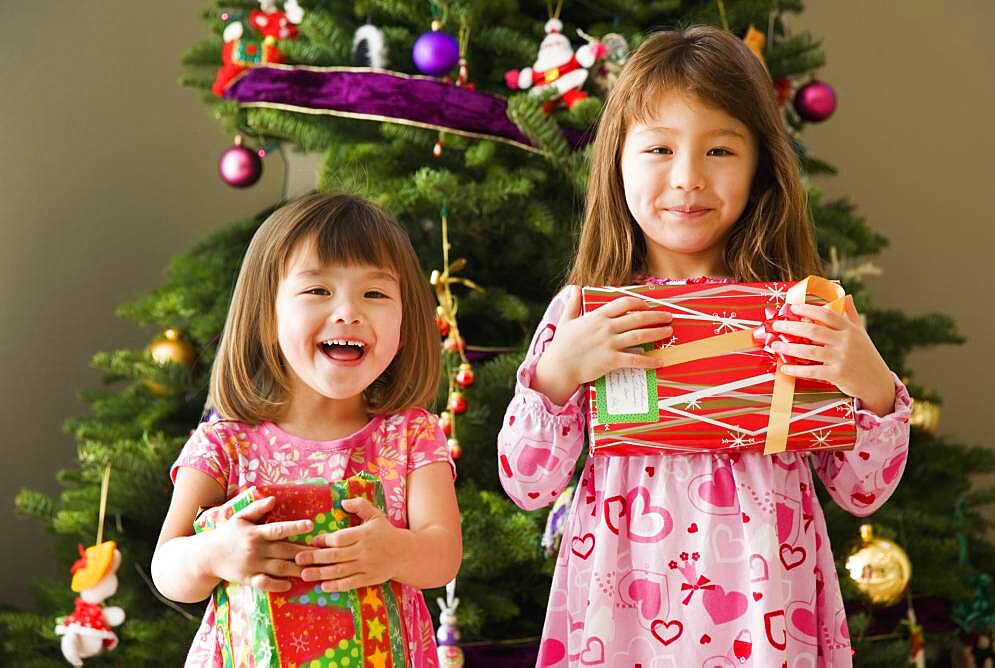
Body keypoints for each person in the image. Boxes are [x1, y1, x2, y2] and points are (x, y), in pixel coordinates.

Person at [497, 26, 911, 667]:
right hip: (622, 612)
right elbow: (527, 483)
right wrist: (558, 373)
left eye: (720, 151)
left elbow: (861, 492)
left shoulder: (804, 313)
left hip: (767, 605)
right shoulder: (581, 314)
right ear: (618, 161)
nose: (687, 177)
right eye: (659, 148)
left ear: (759, 167)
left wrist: (873, 384)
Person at [152, 192, 462, 667]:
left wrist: (395, 552)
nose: (348, 312)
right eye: (318, 290)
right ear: (266, 316)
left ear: (405, 319)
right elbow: (168, 568)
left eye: (374, 293)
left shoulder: (411, 436)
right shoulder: (223, 444)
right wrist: (215, 553)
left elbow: (443, 555)